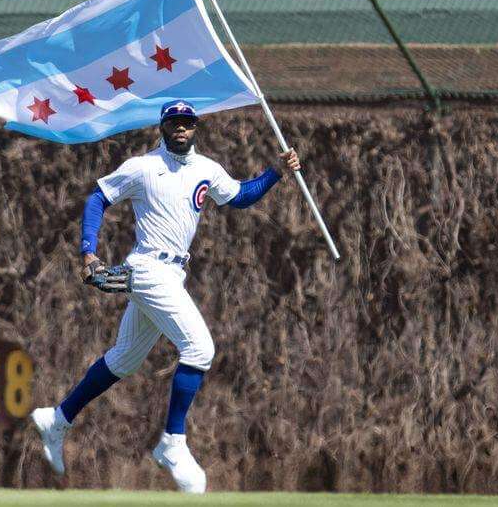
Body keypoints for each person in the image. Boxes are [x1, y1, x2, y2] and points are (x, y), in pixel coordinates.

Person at [30, 99, 301, 493]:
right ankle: (172, 442)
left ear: (195, 127)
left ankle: (58, 419)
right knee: (200, 350)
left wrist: (276, 172)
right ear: (162, 126)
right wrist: (89, 251)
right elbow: (98, 198)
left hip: (174, 271)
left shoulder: (207, 168)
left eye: (187, 122)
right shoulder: (143, 167)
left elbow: (240, 196)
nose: (181, 128)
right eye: (174, 121)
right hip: (148, 269)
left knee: (124, 359)